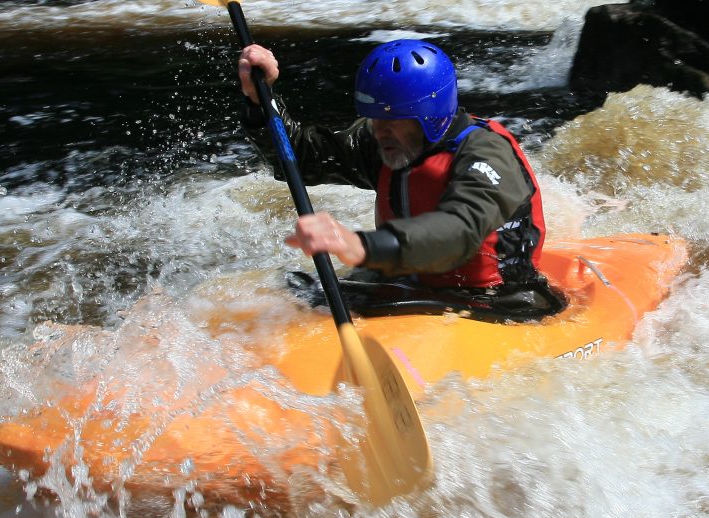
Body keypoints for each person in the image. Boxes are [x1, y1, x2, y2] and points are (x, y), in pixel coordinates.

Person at [237, 38, 563, 318]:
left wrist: (362, 245)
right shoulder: (388, 139)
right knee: (290, 289)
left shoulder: (486, 154)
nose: (379, 130)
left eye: (392, 120)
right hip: (411, 283)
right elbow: (301, 158)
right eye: (374, 118)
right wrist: (260, 99)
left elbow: (459, 231)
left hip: (497, 301)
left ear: (430, 116)